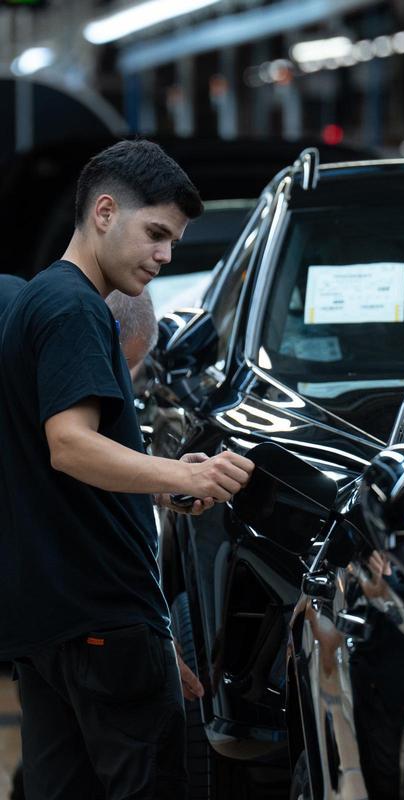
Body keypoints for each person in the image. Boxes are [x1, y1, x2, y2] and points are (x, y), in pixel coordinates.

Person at [0, 140, 255, 799]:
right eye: (157, 234)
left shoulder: (31, 302)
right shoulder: (76, 309)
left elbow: (59, 473)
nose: (165, 256)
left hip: (50, 623)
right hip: (102, 622)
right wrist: (186, 479)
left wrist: (160, 481)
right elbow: (71, 446)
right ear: (105, 212)